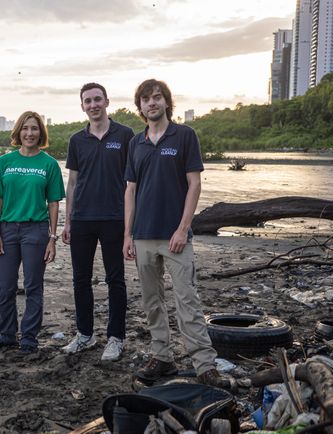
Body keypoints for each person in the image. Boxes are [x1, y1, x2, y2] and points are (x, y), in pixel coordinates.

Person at [123, 79, 225, 386]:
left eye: (157, 98)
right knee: (152, 301)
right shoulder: (135, 143)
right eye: (146, 99)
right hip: (143, 236)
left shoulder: (184, 136)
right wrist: (127, 235)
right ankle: (162, 357)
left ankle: (205, 365)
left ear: (167, 102)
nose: (152, 103)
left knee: (187, 300)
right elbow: (130, 190)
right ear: (139, 106)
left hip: (176, 237)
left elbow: (194, 184)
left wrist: (183, 229)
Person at [61, 83, 134, 361]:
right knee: (81, 279)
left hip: (115, 218)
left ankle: (116, 338)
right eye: (87, 101)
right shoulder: (76, 140)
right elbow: (73, 182)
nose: (93, 105)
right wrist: (67, 221)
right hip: (82, 219)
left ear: (107, 101)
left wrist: (131, 223)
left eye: (97, 100)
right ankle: (85, 334)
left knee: (115, 279)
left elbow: (132, 182)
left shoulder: (125, 135)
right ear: (82, 106)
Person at [0, 111, 65, 353]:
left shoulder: (49, 164)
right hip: (8, 230)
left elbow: (53, 203)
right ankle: (7, 334)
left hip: (36, 230)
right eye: (25, 128)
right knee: (6, 286)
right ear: (18, 132)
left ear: (41, 133)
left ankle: (29, 337)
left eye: (34, 129)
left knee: (33, 286)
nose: (30, 133)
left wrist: (52, 238)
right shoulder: (5, 162)